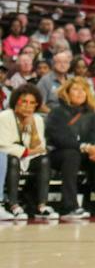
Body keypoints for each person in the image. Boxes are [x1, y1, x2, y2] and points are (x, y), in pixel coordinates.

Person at [45, 77, 95, 220]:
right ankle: (70, 207)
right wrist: (84, 146)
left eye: (83, 90)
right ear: (67, 93)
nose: (80, 93)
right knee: (71, 154)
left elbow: (94, 137)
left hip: (83, 152)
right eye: (75, 89)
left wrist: (94, 149)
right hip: (58, 154)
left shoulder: (92, 114)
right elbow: (59, 139)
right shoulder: (57, 112)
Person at [1, 85, 56, 219]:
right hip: (9, 157)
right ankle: (14, 205)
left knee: (44, 160)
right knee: (13, 159)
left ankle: (41, 206)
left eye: (32, 103)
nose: (27, 106)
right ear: (16, 101)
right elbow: (3, 145)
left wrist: (32, 130)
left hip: (27, 156)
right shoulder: (4, 116)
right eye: (24, 101)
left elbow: (41, 147)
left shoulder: (37, 119)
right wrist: (26, 151)